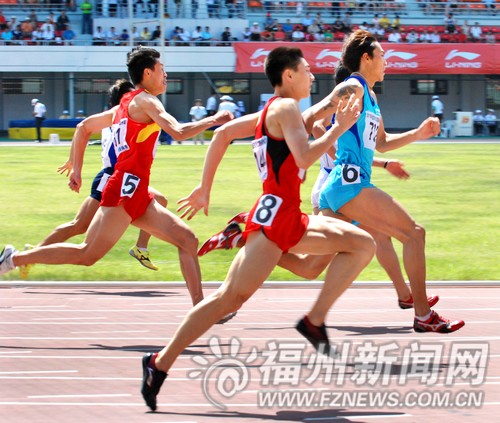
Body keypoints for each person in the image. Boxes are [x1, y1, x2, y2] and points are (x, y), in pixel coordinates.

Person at [139, 46, 376, 412]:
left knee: (357, 246)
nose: (313, 76)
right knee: (226, 301)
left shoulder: (276, 110)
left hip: (286, 218)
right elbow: (305, 157)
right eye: (307, 70)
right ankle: (158, 363)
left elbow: (221, 136)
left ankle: (313, 320)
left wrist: (205, 188)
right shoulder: (284, 109)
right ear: (289, 76)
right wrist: (340, 128)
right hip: (273, 223)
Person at [0, 47, 233, 309]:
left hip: (137, 189)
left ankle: (201, 308)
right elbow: (177, 131)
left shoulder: (126, 103)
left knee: (187, 240)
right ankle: (14, 259)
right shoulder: (146, 101)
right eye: (162, 70)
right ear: (148, 73)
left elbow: (83, 127)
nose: (166, 75)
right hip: (123, 189)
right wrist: (215, 119)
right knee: (87, 254)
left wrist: (77, 168)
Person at [314, 30, 464, 334]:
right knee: (414, 234)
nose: (387, 61)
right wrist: (289, 123)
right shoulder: (353, 87)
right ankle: (422, 313)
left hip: (339, 189)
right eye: (382, 55)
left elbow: (380, 142)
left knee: (309, 265)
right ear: (366, 58)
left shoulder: (370, 94)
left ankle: (252, 231)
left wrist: (418, 133)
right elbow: (317, 117)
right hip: (348, 184)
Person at [21, 80, 165, 279]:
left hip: (123, 179)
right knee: (79, 226)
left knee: (160, 200)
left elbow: (84, 131)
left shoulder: (122, 118)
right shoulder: (121, 118)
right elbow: (83, 129)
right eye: (134, 96)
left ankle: (141, 247)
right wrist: (75, 166)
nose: (139, 100)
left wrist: (73, 162)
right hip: (112, 178)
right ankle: (28, 255)